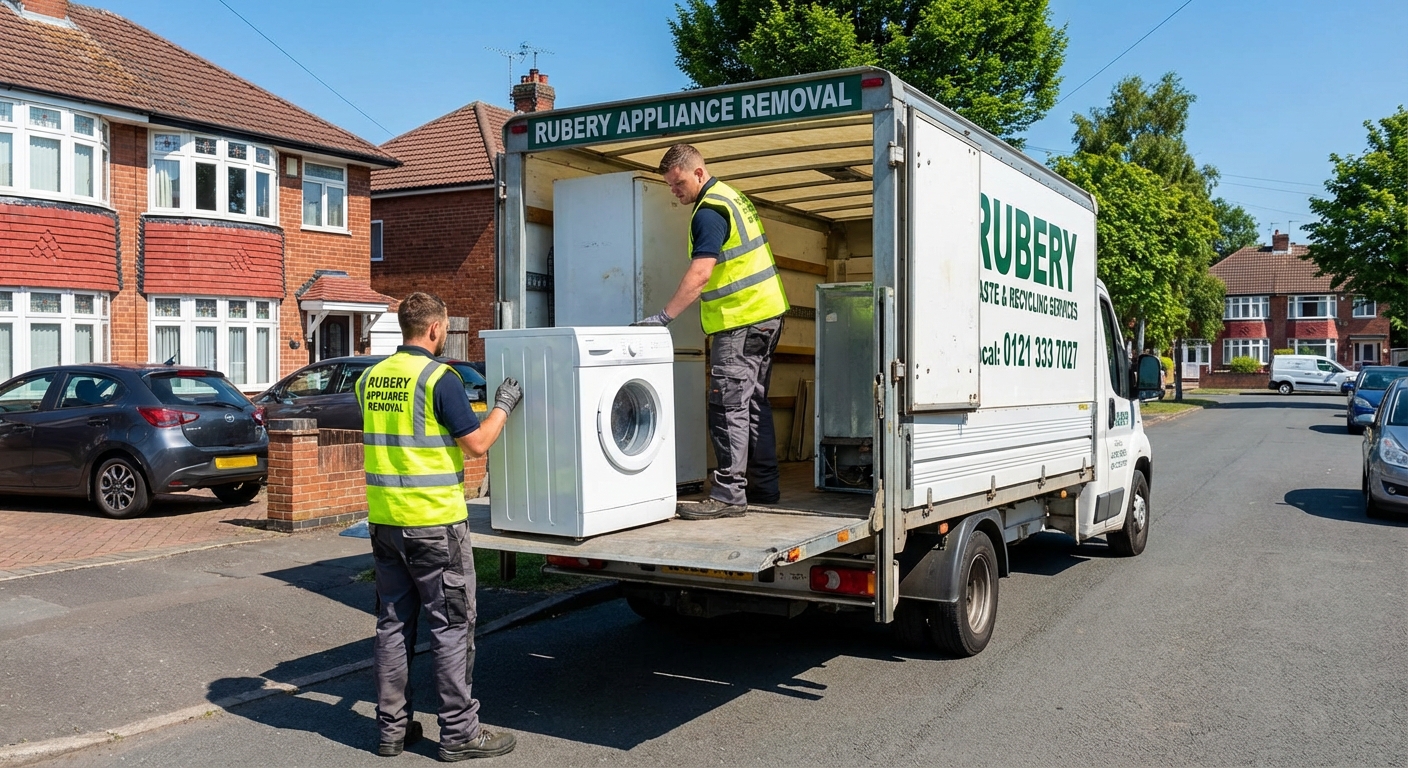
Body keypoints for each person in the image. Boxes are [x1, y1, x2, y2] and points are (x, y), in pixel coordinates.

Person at [356, 292, 522, 761]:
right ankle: (460, 733)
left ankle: (391, 730)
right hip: (435, 524)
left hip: (385, 522)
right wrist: (504, 405)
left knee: (392, 625)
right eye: (445, 328)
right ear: (433, 329)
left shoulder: (370, 378)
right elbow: (477, 445)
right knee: (451, 626)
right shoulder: (439, 378)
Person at [635, 144, 790, 520]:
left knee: (727, 406)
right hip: (767, 314)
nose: (675, 191)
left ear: (698, 173)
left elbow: (702, 273)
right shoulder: (732, 197)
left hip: (740, 321)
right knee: (753, 404)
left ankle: (728, 496)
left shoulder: (709, 211)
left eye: (678, 183)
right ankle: (764, 487)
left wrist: (662, 317)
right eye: (670, 186)